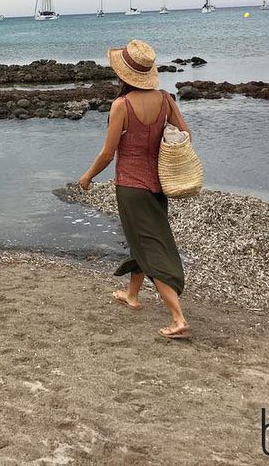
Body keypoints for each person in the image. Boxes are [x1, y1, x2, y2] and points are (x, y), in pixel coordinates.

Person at [78, 39, 192, 339]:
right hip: (159, 184)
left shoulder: (122, 105)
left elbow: (107, 153)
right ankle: (132, 294)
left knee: (151, 247)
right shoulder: (165, 99)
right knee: (141, 239)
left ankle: (177, 317)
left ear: (123, 75)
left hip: (131, 187)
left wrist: (88, 176)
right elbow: (185, 134)